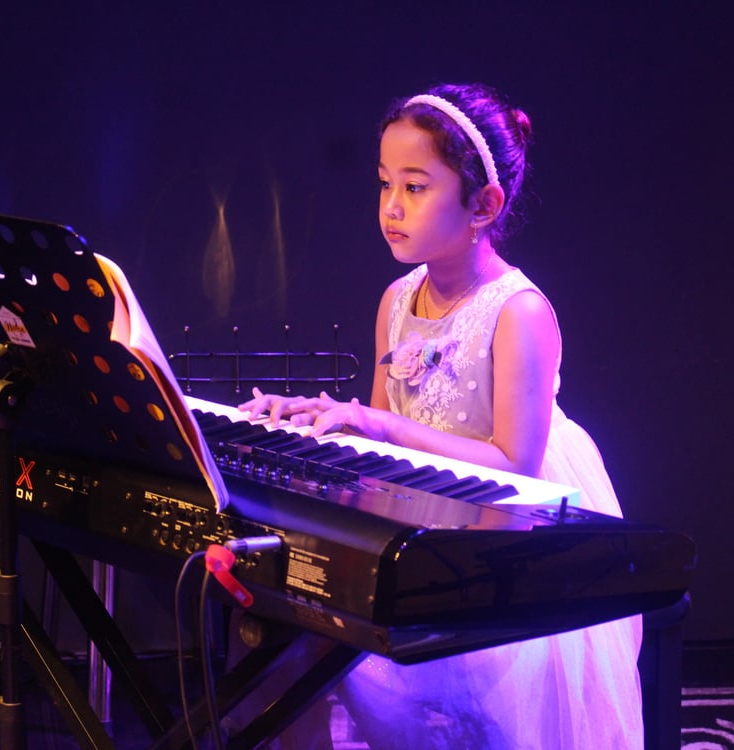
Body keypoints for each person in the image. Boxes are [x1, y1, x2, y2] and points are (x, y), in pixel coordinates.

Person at [239, 82, 643, 749]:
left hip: (515, 527)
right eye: (384, 184)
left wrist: (380, 426)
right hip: (428, 510)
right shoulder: (397, 299)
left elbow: (516, 464)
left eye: (416, 187)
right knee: (293, 622)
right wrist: (311, 427)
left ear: (483, 205)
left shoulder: (518, 311)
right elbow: (378, 448)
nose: (391, 207)